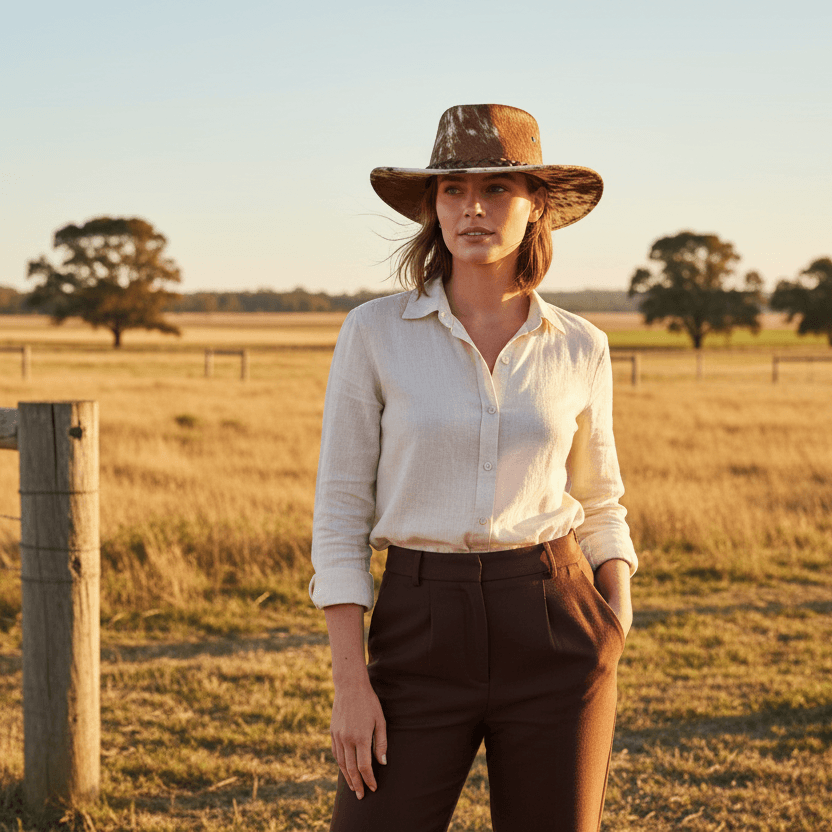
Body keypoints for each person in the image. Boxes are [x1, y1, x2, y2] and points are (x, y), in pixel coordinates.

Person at [309, 104, 638, 832]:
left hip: (556, 622)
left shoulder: (580, 344)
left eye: (498, 190)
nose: (474, 209)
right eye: (454, 189)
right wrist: (350, 680)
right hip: (419, 625)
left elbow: (601, 501)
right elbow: (339, 512)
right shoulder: (374, 334)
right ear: (433, 206)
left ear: (536, 207)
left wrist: (614, 616)